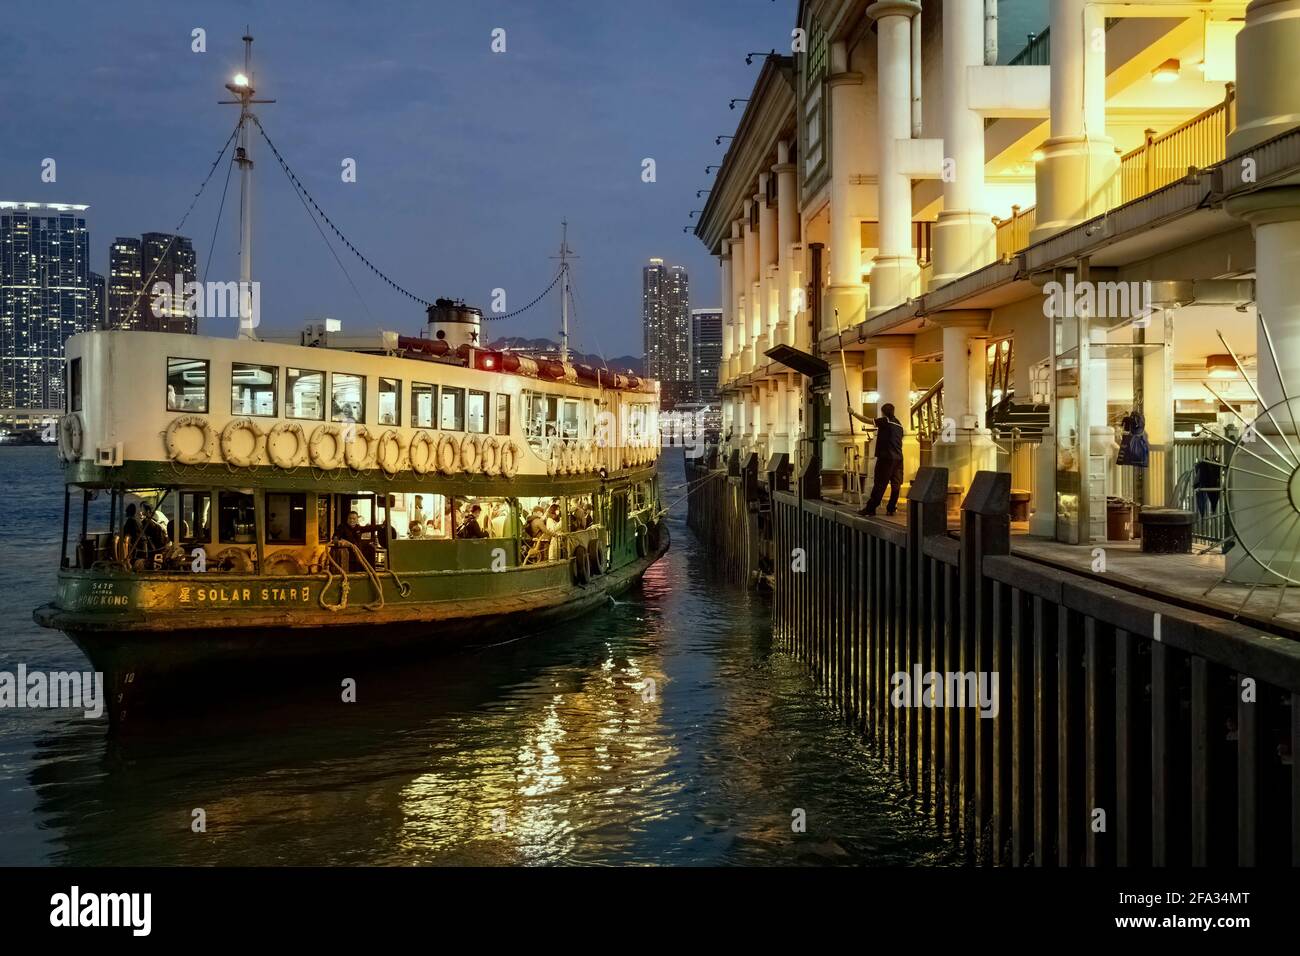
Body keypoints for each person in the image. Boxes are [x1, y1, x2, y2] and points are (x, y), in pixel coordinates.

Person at [859, 403, 905, 518]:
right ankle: (891, 508)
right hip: (898, 457)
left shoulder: (885, 420)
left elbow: (867, 420)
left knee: (880, 483)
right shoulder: (899, 424)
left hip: (886, 457)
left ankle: (871, 509)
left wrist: (853, 413)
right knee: (896, 484)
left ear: (883, 412)